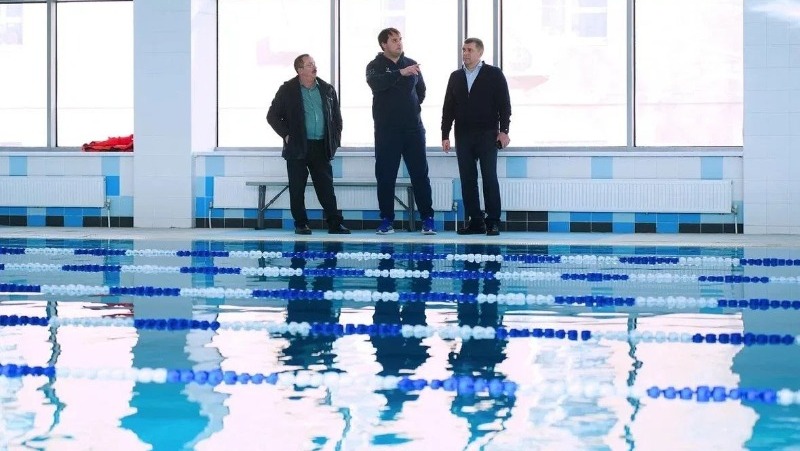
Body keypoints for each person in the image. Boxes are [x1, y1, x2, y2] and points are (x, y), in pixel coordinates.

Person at [267, 54, 350, 235]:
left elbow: (336, 118)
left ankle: (335, 223)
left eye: (314, 63)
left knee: (326, 187)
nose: (314, 67)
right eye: (309, 64)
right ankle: (301, 224)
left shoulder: (327, 89)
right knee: (297, 188)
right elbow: (272, 116)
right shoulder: (287, 90)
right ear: (300, 70)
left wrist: (334, 140)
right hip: (297, 146)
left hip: (321, 146)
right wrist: (286, 134)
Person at [366, 28, 436, 235]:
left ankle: (427, 219)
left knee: (420, 175)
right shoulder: (374, 66)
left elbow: (421, 92)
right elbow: (376, 84)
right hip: (387, 131)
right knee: (386, 176)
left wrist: (410, 108)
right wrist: (399, 73)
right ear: (384, 45)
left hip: (413, 129)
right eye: (394, 40)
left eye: (400, 39)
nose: (399, 43)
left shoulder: (411, 64)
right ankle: (387, 219)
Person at [441, 38, 511, 236]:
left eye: (470, 50)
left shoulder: (494, 74)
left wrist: (504, 130)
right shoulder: (455, 76)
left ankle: (493, 221)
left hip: (487, 134)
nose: (465, 53)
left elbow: (504, 104)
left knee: (489, 177)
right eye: (463, 49)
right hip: (463, 135)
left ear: (480, 53)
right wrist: (445, 134)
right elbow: (448, 108)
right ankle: (475, 221)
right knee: (467, 179)